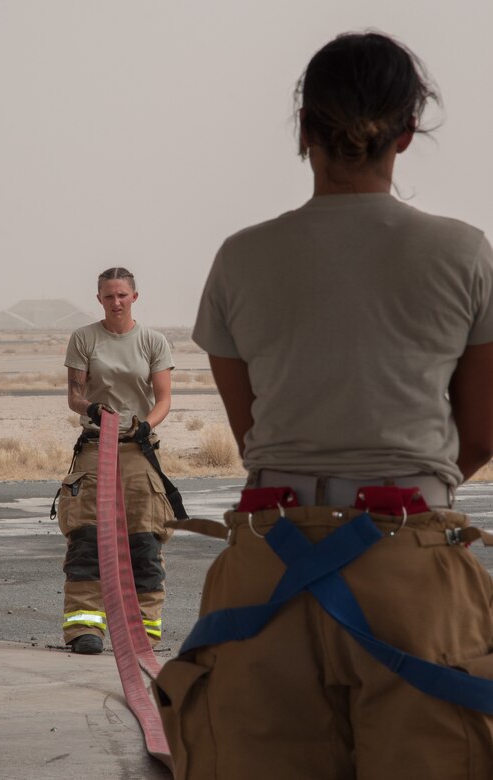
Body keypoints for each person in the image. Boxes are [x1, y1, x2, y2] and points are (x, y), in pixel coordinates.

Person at [154, 32, 493, 779]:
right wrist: (410, 501)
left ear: (304, 128)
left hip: (268, 567)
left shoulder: (240, 258)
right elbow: (481, 431)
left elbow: (252, 433)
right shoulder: (465, 253)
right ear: (406, 133)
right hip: (413, 576)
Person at [57, 266, 175, 654]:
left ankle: (143, 630)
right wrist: (91, 408)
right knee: (86, 538)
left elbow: (164, 398)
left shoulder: (153, 341)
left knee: (145, 538)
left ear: (134, 297)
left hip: (138, 449)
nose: (116, 302)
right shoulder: (84, 338)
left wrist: (146, 425)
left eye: (122, 295)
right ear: (100, 299)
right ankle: (84, 628)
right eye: (109, 296)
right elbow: (74, 395)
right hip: (96, 447)